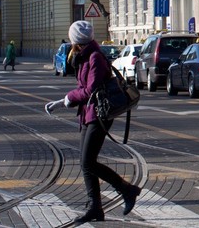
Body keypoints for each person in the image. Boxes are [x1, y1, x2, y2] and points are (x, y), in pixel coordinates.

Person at [45, 21, 141, 224]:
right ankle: (95, 207)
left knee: (88, 161)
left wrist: (65, 101)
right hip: (88, 114)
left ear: (76, 40)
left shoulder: (95, 57)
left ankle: (127, 190)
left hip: (99, 114)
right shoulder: (85, 56)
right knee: (85, 163)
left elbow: (90, 90)